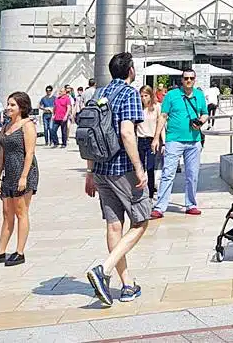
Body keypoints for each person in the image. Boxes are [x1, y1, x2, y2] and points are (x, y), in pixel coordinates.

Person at [84, 52, 150, 306]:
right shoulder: (129, 94)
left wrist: (90, 172)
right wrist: (139, 168)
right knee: (141, 222)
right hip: (123, 169)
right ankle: (104, 269)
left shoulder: (99, 93)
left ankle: (127, 285)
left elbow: (90, 133)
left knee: (114, 226)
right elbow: (127, 132)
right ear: (131, 70)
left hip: (100, 169)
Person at [0, 92, 38, 267]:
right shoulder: (6, 126)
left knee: (21, 212)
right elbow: (1, 153)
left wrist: (24, 177)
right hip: (9, 173)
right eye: (8, 104)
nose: (8, 107)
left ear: (22, 107)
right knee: (7, 212)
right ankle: (0, 251)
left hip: (23, 172)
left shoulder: (27, 126)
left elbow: (30, 153)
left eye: (12, 105)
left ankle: (19, 252)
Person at [150, 69, 206, 219]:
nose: (188, 81)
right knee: (168, 173)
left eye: (191, 78)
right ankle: (160, 207)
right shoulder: (171, 95)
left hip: (194, 141)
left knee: (192, 174)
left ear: (195, 79)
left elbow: (205, 113)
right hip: (174, 140)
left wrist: (201, 121)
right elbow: (163, 116)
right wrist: (156, 137)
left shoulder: (199, 95)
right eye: (186, 78)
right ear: (181, 80)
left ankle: (191, 204)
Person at [138, 85, 160, 200]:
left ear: (151, 96)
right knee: (140, 167)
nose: (143, 98)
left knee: (151, 168)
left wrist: (163, 142)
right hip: (140, 139)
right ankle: (140, 192)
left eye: (146, 95)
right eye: (141, 96)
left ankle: (151, 193)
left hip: (152, 139)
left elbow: (161, 125)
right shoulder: (138, 108)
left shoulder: (156, 107)